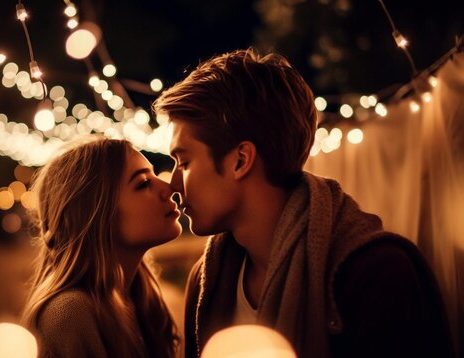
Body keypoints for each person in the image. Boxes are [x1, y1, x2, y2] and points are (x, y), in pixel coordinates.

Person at [153, 49, 454, 358]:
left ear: (240, 160)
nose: (174, 183)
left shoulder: (376, 273)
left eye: (184, 162)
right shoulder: (206, 281)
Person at [20, 137, 181, 357]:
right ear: (95, 215)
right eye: (143, 183)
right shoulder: (69, 314)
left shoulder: (140, 297)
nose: (169, 186)